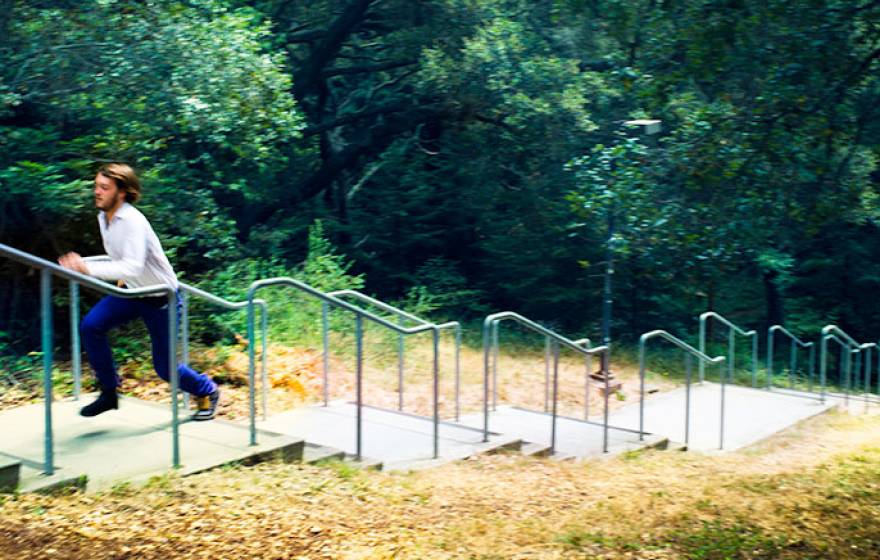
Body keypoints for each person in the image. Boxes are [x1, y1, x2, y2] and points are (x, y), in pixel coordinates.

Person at [58, 163, 220, 420]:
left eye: (104, 188)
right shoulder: (104, 218)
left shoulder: (132, 220)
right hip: (132, 293)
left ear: (122, 192)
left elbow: (132, 265)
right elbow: (118, 260)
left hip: (161, 298)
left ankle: (207, 389)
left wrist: (85, 268)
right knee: (91, 326)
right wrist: (82, 265)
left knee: (165, 369)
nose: (97, 192)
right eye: (96, 187)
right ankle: (109, 393)